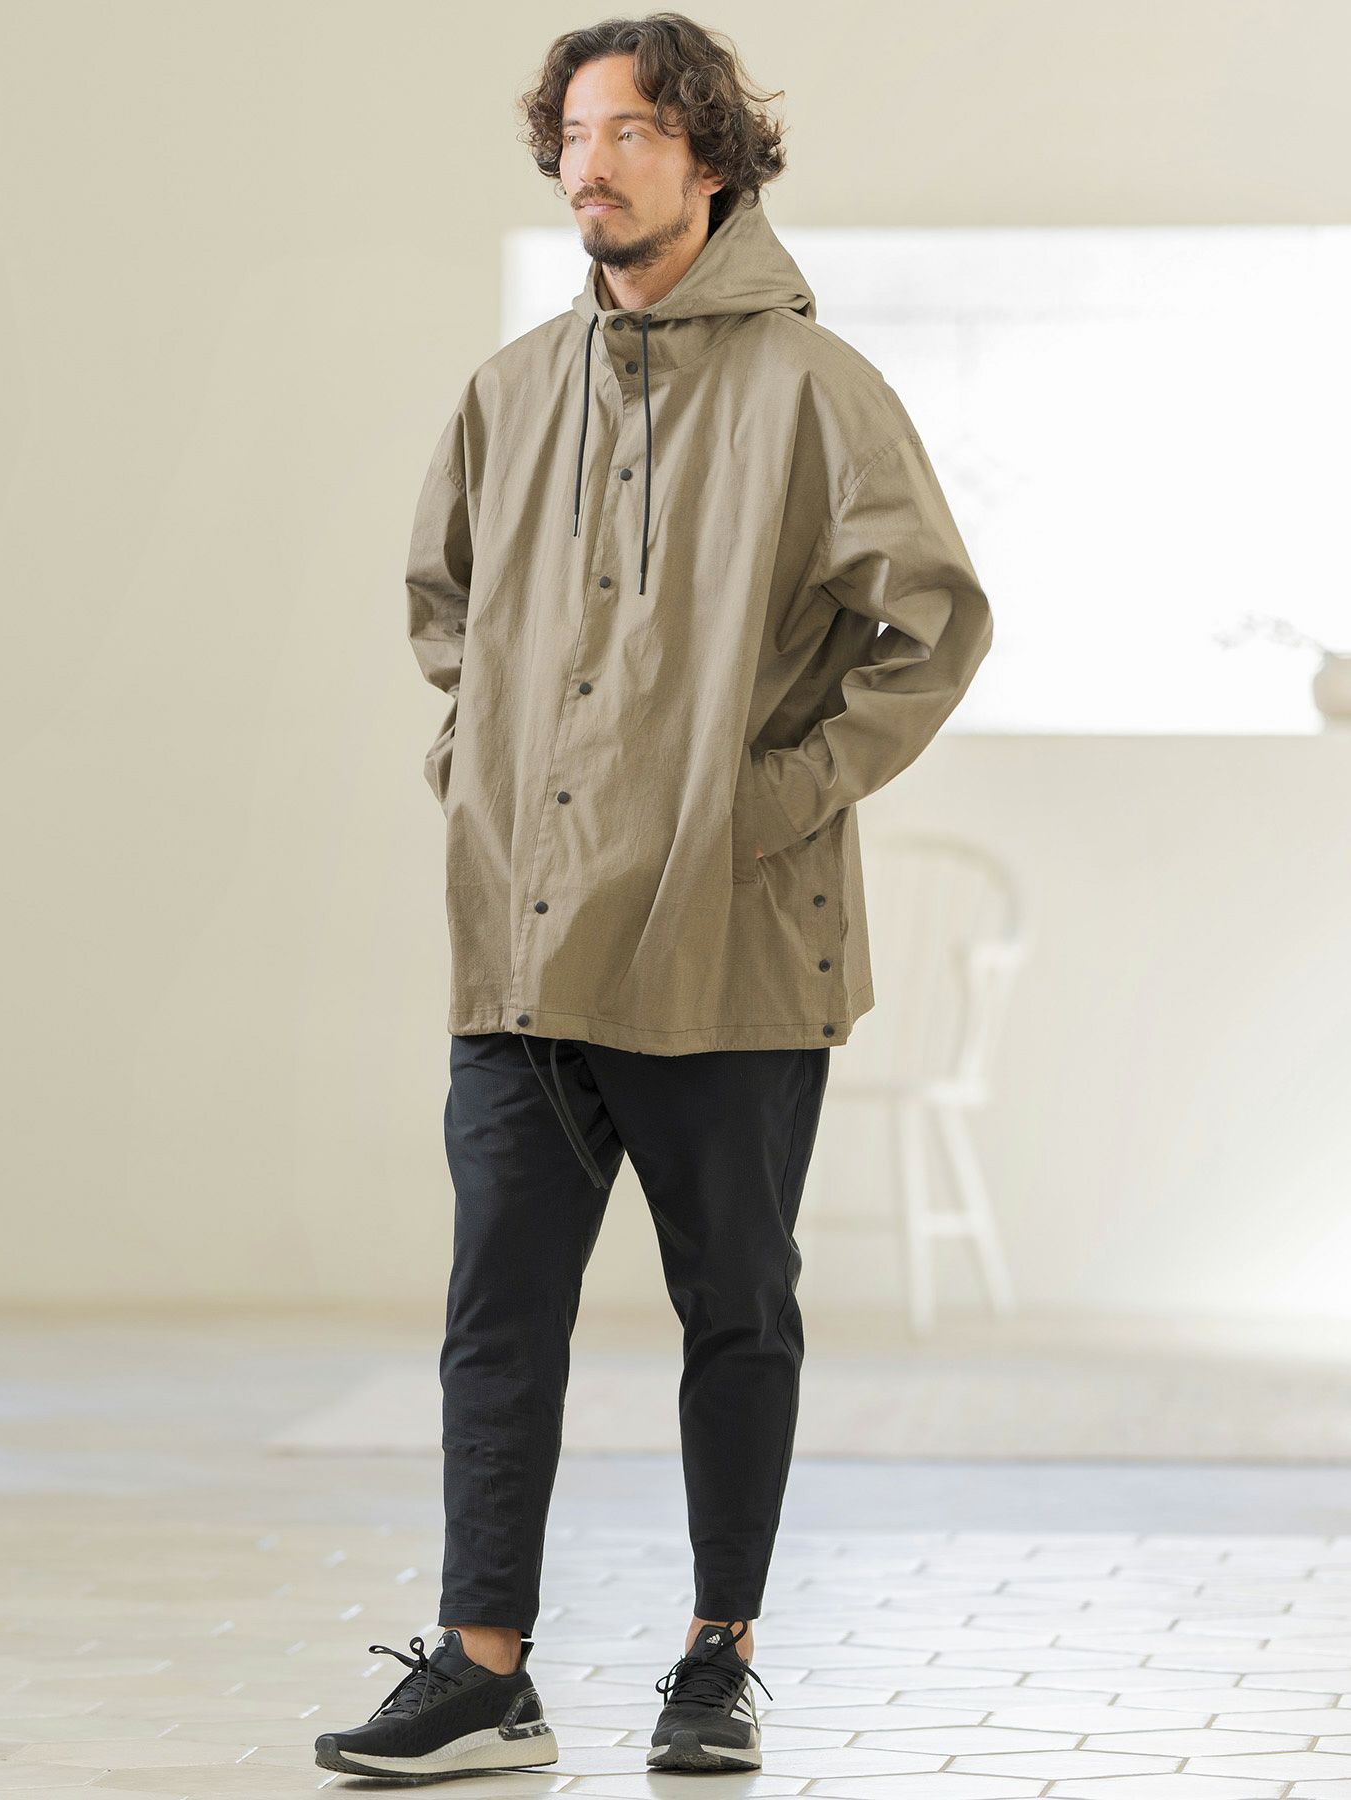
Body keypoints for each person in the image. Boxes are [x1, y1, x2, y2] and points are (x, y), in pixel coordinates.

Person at [315, 9, 993, 1782]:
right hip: (524, 942)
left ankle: (717, 1658)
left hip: (729, 940)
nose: (591, 166)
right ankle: (484, 1671)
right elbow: (445, 607)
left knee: (735, 1311)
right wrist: (481, 765)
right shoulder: (508, 392)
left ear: (711, 157)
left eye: (630, 132)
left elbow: (932, 627)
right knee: (497, 1317)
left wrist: (775, 799)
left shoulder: (815, 390)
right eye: (573, 136)